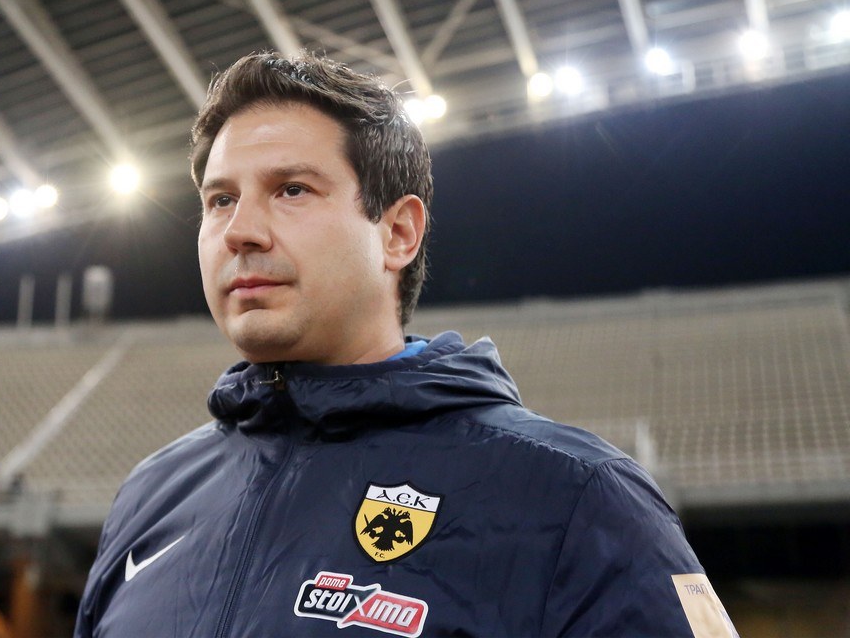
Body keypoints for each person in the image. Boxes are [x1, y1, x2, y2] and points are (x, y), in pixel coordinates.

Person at [75, 51, 737, 637]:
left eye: (291, 190)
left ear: (398, 234)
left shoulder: (574, 498)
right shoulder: (151, 495)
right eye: (220, 200)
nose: (239, 230)